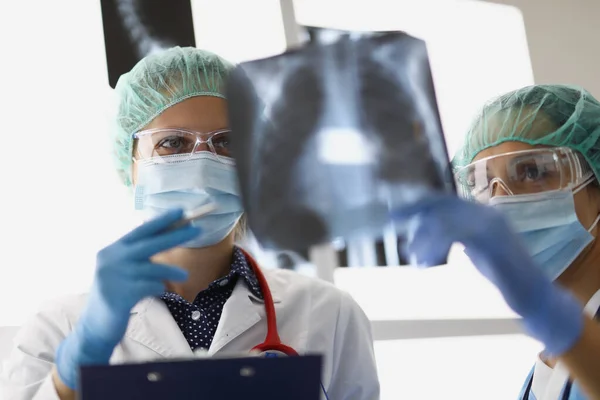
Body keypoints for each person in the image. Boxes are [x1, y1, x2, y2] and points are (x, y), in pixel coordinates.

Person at [0, 47, 380, 400]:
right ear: (130, 163)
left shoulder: (328, 314)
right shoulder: (60, 326)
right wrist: (73, 371)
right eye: (173, 143)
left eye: (227, 142)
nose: (202, 166)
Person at [394, 84, 600, 399]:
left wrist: (548, 313)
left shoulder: (570, 339)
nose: (500, 201)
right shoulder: (545, 368)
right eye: (484, 184)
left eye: (532, 171)